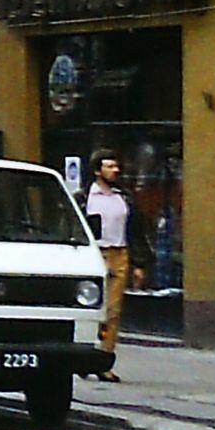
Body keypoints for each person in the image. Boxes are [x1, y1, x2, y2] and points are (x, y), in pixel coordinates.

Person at [85, 149, 131, 382]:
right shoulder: (85, 197)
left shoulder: (122, 195)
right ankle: (85, 355)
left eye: (116, 166)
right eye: (109, 166)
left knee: (112, 311)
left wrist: (140, 262)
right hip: (96, 254)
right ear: (97, 171)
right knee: (91, 309)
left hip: (119, 252)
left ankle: (104, 360)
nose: (115, 170)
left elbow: (135, 228)